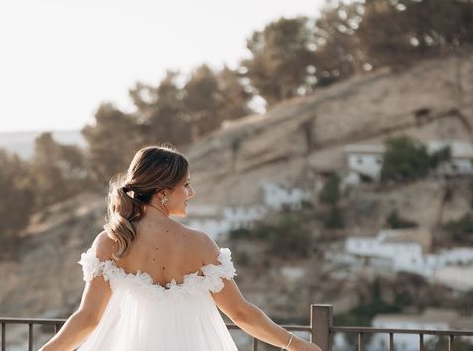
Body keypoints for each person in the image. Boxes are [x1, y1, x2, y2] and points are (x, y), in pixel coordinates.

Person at [39, 144, 322, 351]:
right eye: (185, 185)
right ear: (163, 193)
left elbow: (87, 319)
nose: (191, 193)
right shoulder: (200, 244)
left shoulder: (112, 241)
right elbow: (240, 313)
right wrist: (295, 344)